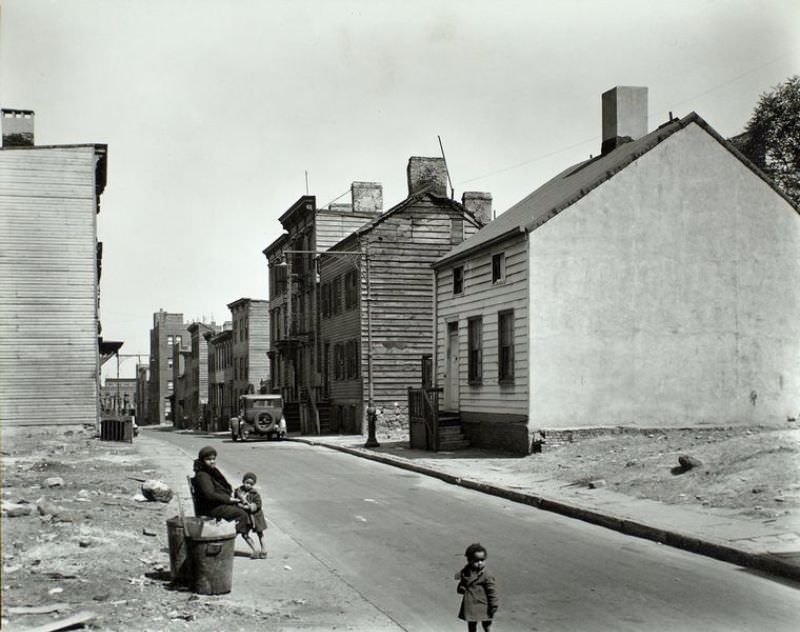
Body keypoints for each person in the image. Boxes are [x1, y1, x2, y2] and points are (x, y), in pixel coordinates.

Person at [192, 446, 259, 556]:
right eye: (208, 459)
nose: (212, 461)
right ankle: (226, 542)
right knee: (242, 514)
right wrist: (229, 499)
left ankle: (231, 539)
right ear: (202, 460)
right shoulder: (202, 475)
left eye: (213, 459)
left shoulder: (210, 471)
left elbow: (220, 489)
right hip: (210, 507)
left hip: (215, 504)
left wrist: (234, 499)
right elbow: (209, 494)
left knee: (243, 509)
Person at [455, 543, 499, 631]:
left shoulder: (486, 575)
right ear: (469, 560)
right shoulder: (466, 572)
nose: (479, 563)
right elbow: (462, 584)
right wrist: (461, 588)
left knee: (487, 625)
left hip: (484, 605)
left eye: (482, 560)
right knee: (471, 626)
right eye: (476, 560)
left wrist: (494, 604)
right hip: (471, 605)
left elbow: (492, 591)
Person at [235, 472, 268, 559]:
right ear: (243, 481)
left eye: (251, 484)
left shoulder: (255, 494)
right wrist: (237, 505)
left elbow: (258, 505)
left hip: (256, 516)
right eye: (247, 482)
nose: (248, 485)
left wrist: (248, 506)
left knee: (260, 533)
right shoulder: (238, 491)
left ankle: (264, 550)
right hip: (245, 517)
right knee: (244, 534)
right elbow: (235, 501)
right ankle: (255, 550)